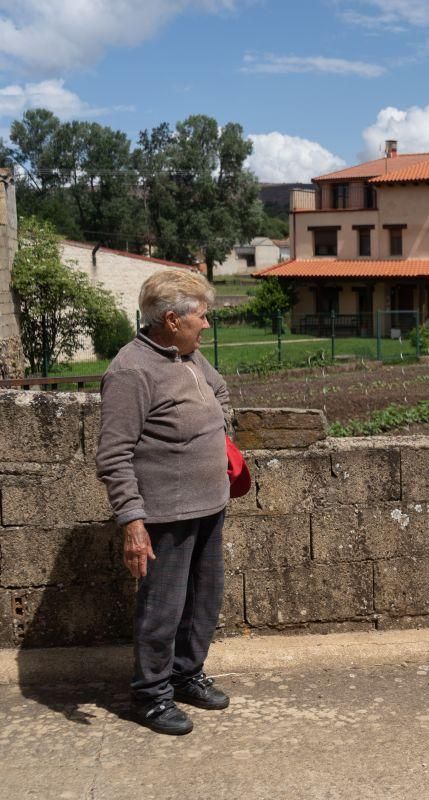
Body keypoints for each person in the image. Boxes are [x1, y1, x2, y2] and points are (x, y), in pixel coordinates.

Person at [96, 269, 233, 735]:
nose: (206, 325)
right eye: (202, 317)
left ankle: (185, 674)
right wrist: (132, 521)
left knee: (203, 600)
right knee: (163, 607)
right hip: (165, 512)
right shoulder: (131, 370)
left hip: (210, 502)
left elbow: (218, 391)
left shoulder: (189, 356)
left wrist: (221, 428)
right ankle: (151, 695)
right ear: (172, 319)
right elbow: (113, 455)